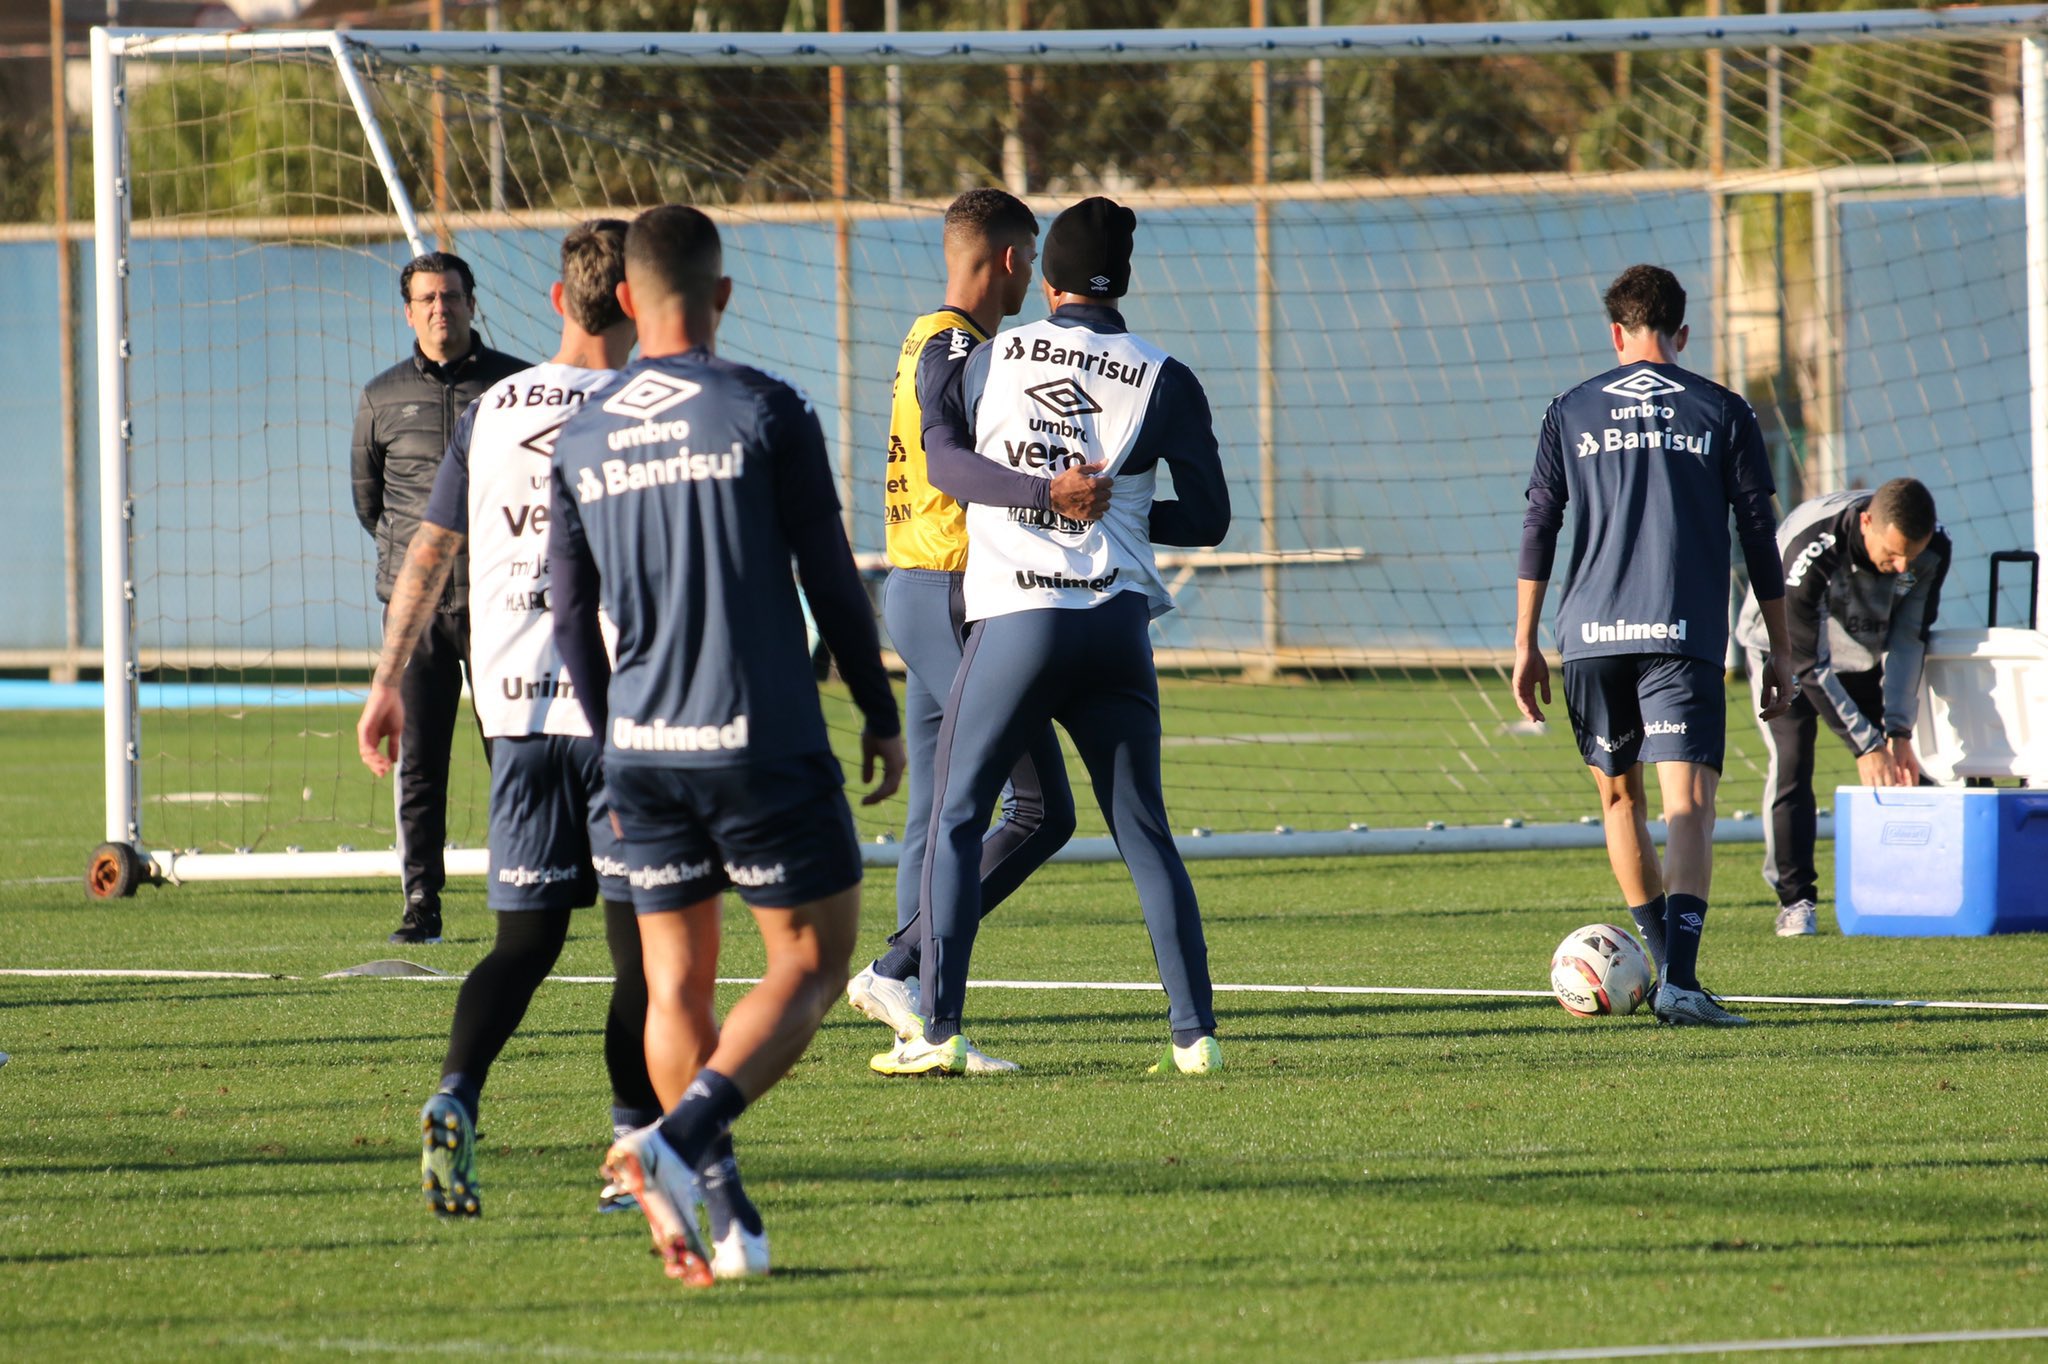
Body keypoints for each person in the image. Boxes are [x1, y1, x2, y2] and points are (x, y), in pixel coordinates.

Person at [548, 205, 905, 1286]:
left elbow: (570, 617)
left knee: (674, 988)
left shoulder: (581, 431)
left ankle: (730, 1216)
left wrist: (617, 738)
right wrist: (878, 707)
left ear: (618, 300)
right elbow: (829, 573)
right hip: (757, 733)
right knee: (808, 961)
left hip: (640, 747)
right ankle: (674, 1136)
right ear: (722, 296)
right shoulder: (762, 406)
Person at [870, 196, 1231, 1078]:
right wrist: (1128, 517)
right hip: (1115, 629)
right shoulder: (1167, 374)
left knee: (958, 815)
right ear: (1124, 281)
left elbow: (946, 465)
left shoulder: (993, 357)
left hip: (1017, 622)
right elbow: (1213, 518)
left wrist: (1040, 495)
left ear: (1050, 276)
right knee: (1144, 832)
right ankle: (1194, 1039)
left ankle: (938, 1028)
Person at [355, 221, 663, 1219]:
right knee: (643, 951)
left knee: (522, 943)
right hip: (623, 717)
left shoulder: (492, 410)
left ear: (551, 295)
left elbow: (427, 547)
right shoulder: (647, 406)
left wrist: (387, 677)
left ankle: (455, 1092)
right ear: (634, 302)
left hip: (518, 711)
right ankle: (629, 1147)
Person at [845, 188, 1113, 1070]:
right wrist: (1049, 491)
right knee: (1039, 810)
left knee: (937, 813)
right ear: (1007, 259)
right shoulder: (962, 344)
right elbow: (949, 464)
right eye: (1031, 261)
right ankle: (901, 971)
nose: (1034, 279)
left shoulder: (926, 335)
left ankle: (909, 989)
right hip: (956, 591)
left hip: (916, 586)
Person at [1514, 263, 1795, 1028]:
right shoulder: (1723, 409)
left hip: (1591, 635)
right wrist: (1782, 644)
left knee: (1618, 797)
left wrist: (1525, 642)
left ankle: (1667, 967)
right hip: (1680, 632)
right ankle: (1682, 980)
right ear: (1682, 332)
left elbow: (1541, 524)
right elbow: (1760, 536)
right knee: (1690, 808)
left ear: (1615, 333)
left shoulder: (1569, 410)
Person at [351, 251, 530, 945]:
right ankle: (421, 903)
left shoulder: (516, 385)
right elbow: (372, 504)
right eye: (425, 298)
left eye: (450, 296)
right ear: (408, 310)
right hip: (415, 616)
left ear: (471, 302)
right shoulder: (380, 398)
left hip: (503, 605)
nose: (439, 308)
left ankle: (524, 887)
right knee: (420, 763)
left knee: (512, 750)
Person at [1734, 478, 1951, 937]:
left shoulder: (1933, 549)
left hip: (1859, 654)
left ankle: (1928, 888)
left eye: (1910, 559)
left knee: (1915, 764)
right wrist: (1866, 745)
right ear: (1868, 522)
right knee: (1792, 761)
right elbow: (1807, 663)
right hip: (1781, 653)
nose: (1901, 568)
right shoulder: (1813, 541)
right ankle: (1795, 901)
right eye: (1892, 555)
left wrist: (1898, 731)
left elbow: (1909, 638)